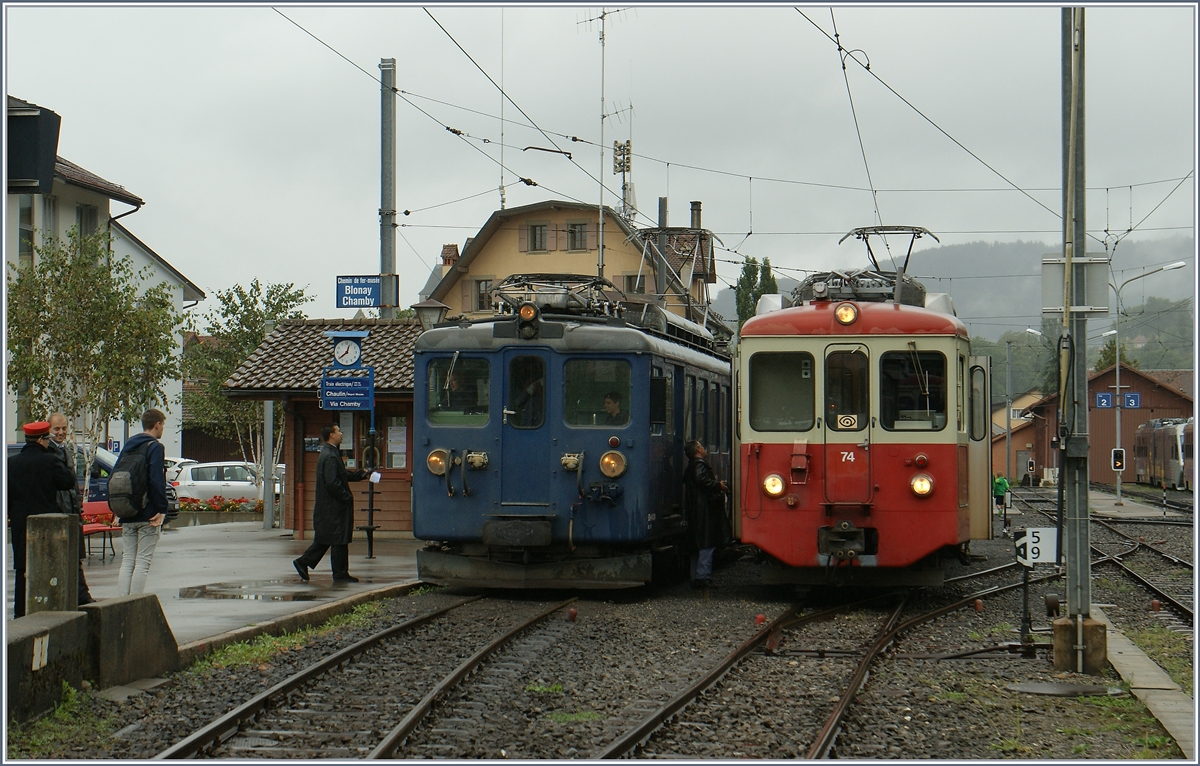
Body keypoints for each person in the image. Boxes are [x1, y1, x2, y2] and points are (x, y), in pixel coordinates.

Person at [6, 421, 78, 617]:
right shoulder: (49, 461)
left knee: (23, 567)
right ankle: (47, 609)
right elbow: (69, 481)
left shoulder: (11, 463)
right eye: (46, 439)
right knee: (47, 566)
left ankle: (20, 612)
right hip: (46, 522)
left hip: (21, 522)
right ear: (41, 440)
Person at [293, 424, 368, 583]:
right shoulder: (331, 456)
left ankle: (332, 570)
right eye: (338, 431)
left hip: (330, 506)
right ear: (331, 435)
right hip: (334, 507)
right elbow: (332, 482)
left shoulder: (329, 453)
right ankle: (328, 569)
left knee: (332, 539)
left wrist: (360, 475)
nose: (341, 433)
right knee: (336, 539)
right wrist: (346, 497)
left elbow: (341, 475)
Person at [115, 409, 169, 596]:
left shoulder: (129, 445)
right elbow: (156, 479)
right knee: (143, 563)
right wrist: (162, 508)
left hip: (128, 511)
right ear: (157, 425)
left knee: (128, 560)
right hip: (149, 513)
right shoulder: (155, 447)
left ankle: (121, 601)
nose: (162, 429)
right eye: (162, 425)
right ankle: (135, 603)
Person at [48, 413, 94, 605]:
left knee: (74, 558)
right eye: (56, 429)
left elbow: (72, 485)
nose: (61, 432)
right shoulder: (49, 452)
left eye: (64, 428)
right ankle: (80, 597)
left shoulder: (65, 450)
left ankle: (80, 596)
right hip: (60, 511)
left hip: (71, 511)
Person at [682, 439, 729, 590]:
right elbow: (702, 480)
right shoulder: (699, 464)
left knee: (697, 546)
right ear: (698, 451)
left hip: (696, 510)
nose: (704, 448)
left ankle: (695, 576)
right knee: (707, 545)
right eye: (701, 447)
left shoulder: (691, 465)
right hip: (704, 511)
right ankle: (703, 577)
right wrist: (718, 485)